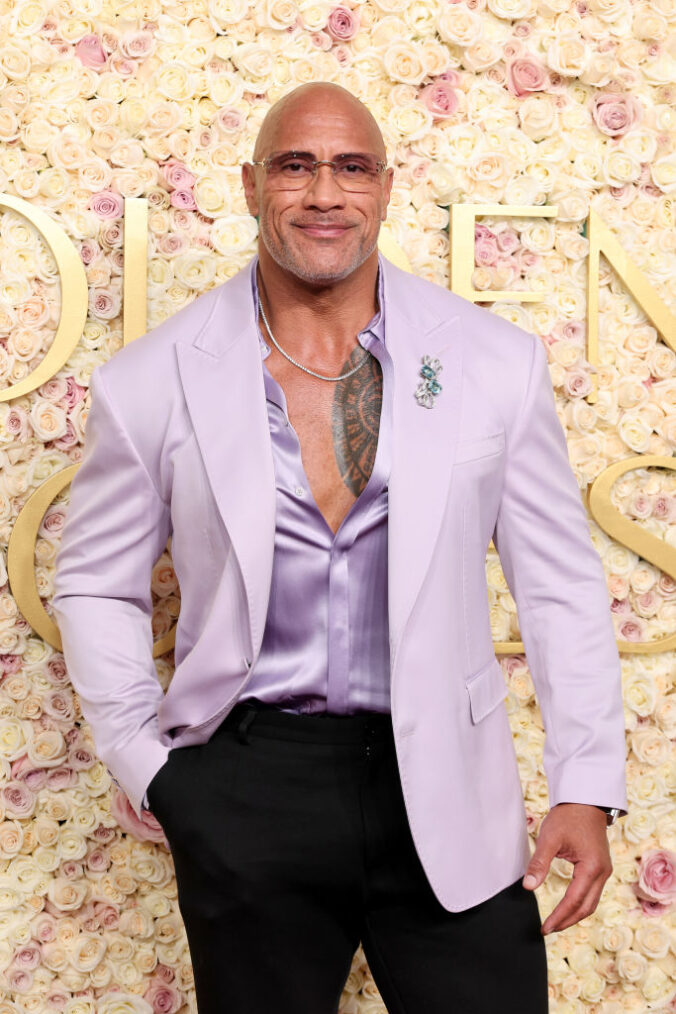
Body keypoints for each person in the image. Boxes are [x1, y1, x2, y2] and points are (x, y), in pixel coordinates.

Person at [52, 81, 627, 1014]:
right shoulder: (150, 379)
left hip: (449, 782)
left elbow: (559, 583)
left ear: (387, 188)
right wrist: (146, 760)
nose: (325, 194)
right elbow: (92, 584)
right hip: (247, 783)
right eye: (296, 165)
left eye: (351, 167)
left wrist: (587, 784)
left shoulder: (493, 361)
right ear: (250, 186)